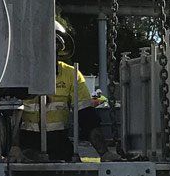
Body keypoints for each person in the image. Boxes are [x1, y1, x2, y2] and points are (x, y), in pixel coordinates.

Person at [19, 22, 106, 160]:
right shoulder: (19, 75)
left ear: (59, 48)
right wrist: (14, 149)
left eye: (53, 45)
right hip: (25, 150)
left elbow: (87, 117)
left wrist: (104, 153)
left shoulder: (71, 75)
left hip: (59, 148)